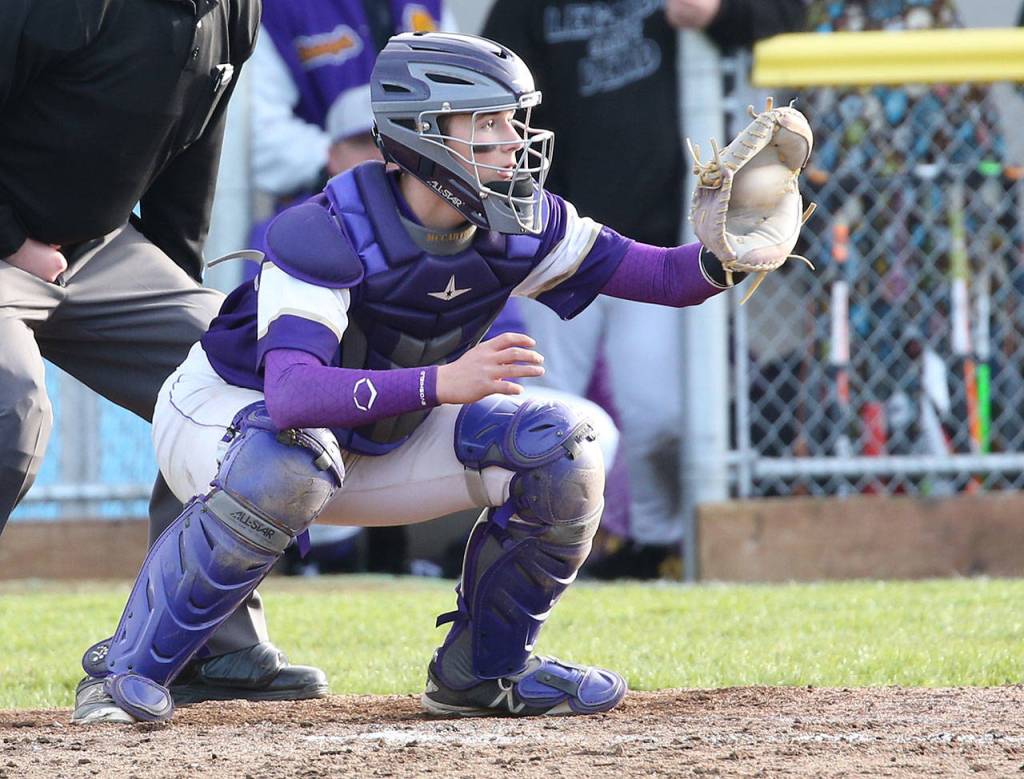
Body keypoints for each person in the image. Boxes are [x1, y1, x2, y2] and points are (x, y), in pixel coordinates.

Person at [70, 31, 811, 723]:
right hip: (227, 419)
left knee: (564, 448)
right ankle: (126, 671)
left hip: (373, 438)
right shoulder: (327, 228)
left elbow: (662, 275)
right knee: (287, 459)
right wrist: (441, 383)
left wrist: (726, 253)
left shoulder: (520, 222)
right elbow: (293, 395)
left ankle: (483, 673)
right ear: (425, 134)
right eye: (489, 122)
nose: (514, 142)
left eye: (515, 121)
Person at [0, 0, 326, 704]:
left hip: (97, 249)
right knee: (11, 406)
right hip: (8, 237)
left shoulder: (235, 8)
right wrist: (11, 239)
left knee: (241, 377)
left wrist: (184, 303)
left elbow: (191, 162)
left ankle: (203, 641)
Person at [482, 0, 810, 579]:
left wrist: (716, 13)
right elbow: (493, 90)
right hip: (557, 244)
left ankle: (653, 545)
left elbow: (788, 14)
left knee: (659, 417)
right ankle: (532, 543)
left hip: (657, 247)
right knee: (543, 406)